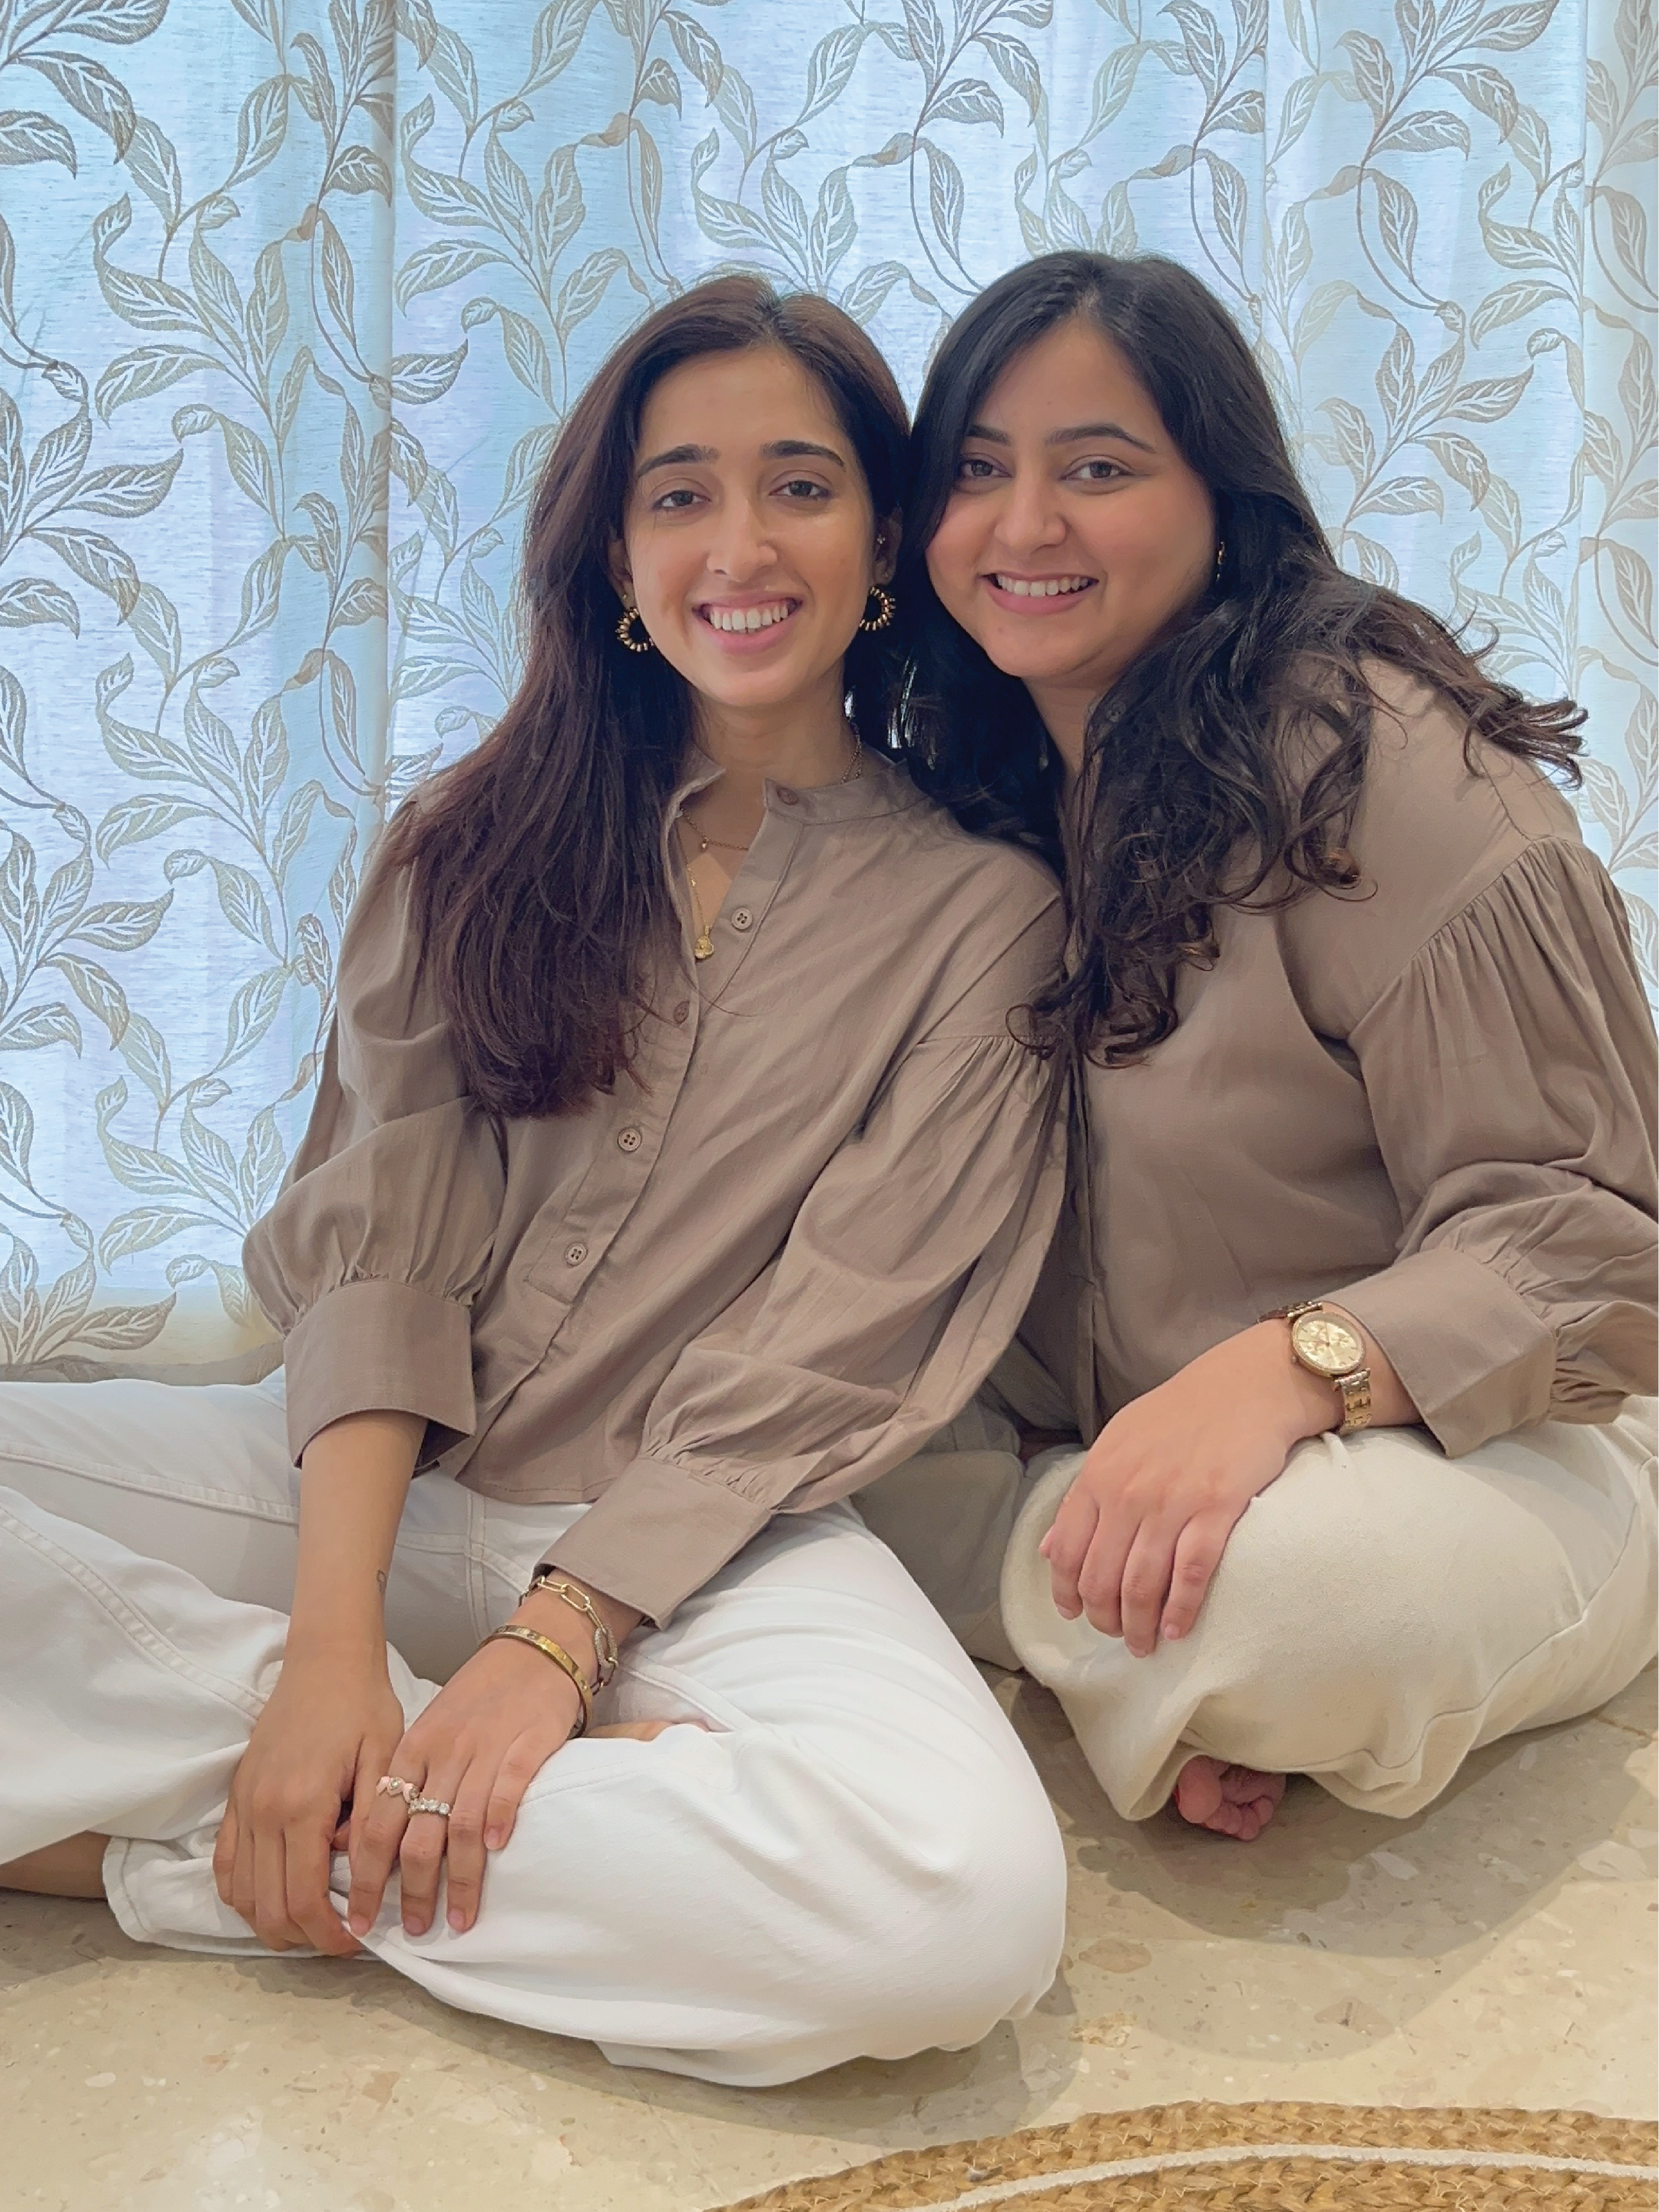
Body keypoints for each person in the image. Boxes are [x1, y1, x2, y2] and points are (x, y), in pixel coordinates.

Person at [0, 277, 1071, 2084]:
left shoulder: (984, 916)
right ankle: (374, 1773)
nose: (741, 543)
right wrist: (329, 1660)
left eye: (801, 485)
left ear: (886, 536)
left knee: (957, 1905)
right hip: (380, 1494)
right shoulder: (470, 841)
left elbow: (837, 1341)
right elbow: (376, 1262)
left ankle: (183, 1855)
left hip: (710, 1536)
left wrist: (559, 1647)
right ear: (614, 551)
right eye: (680, 493)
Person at [873, 249, 1656, 1842]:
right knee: (740, 1448)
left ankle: (1130, 1625)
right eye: (977, 472)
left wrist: (1297, 1370)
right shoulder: (981, 774)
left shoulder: (1384, 772)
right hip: (1102, 1448)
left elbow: (1598, 1246)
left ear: (1224, 496)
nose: (1025, 526)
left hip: (1464, 1450)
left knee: (1313, 1605)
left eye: (1098, 468)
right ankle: (1121, 1622)